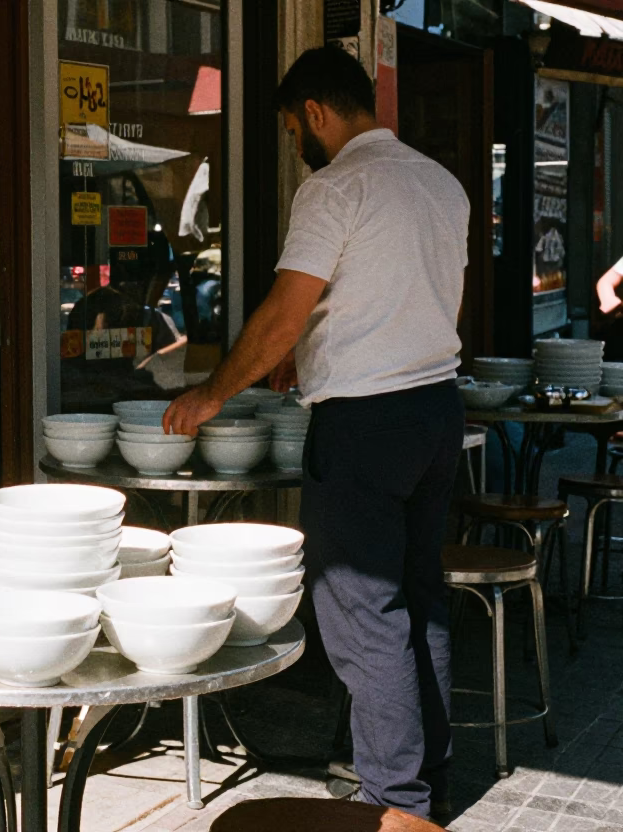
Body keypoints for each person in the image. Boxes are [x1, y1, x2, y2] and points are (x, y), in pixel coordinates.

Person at [164, 46, 468, 820]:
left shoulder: (335, 186)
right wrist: (316, 355)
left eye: (295, 124)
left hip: (364, 425)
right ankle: (429, 782)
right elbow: (397, 298)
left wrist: (210, 393)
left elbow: (283, 314)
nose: (297, 138)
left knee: (366, 616)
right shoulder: (441, 183)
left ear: (316, 114)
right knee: (421, 597)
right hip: (435, 410)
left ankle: (394, 802)